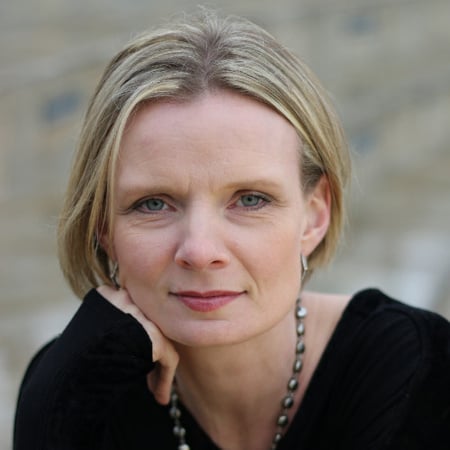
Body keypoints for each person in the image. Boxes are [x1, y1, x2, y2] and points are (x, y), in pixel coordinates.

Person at [13, 9, 450, 450]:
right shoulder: (80, 384)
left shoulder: (412, 369)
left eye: (250, 199)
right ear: (102, 226)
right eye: (153, 203)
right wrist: (52, 408)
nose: (200, 251)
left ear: (313, 216)